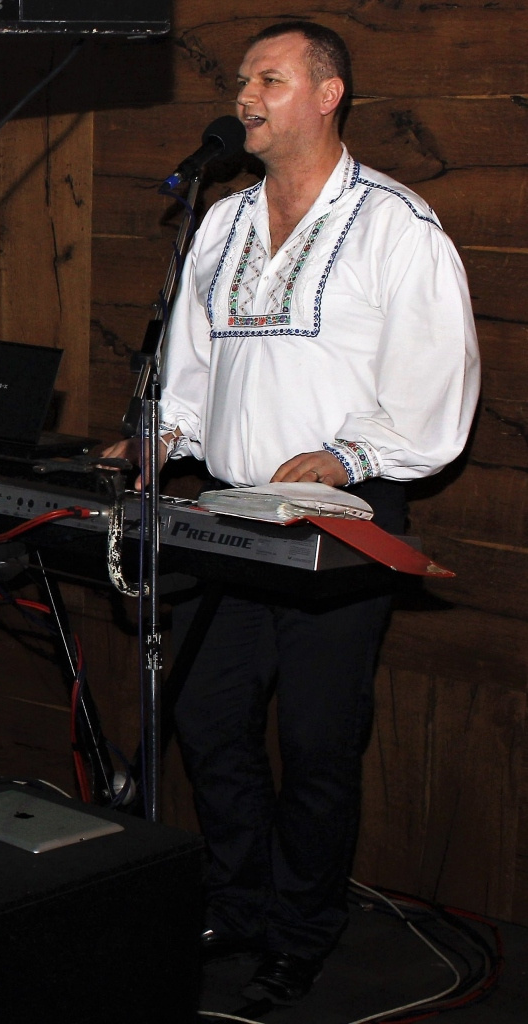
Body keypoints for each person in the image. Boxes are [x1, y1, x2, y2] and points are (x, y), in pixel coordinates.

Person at [102, 22, 479, 1005]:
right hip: (229, 515)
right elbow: (189, 369)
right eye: (241, 80)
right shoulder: (221, 223)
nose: (244, 97)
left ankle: (301, 931)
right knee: (206, 717)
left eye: (268, 79)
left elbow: (436, 386)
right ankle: (238, 900)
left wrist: (351, 454)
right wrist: (160, 438)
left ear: (328, 94)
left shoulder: (396, 225)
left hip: (340, 520)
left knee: (316, 739)